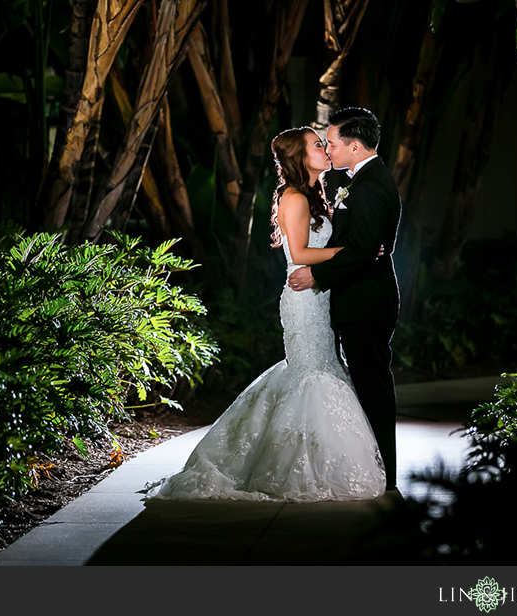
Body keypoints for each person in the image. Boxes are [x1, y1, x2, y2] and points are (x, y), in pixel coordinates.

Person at [143, 126, 385, 502]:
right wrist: (350, 252)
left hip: (319, 297)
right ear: (299, 157)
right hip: (304, 298)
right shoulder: (295, 198)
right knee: (310, 374)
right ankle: (293, 466)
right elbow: (300, 254)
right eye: (317, 145)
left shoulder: (314, 194)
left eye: (325, 144)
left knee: (318, 369)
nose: (325, 149)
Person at [288, 107, 401, 492]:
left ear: (354, 146)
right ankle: (374, 469)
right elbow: (355, 247)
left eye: (332, 143)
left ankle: (384, 474)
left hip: (367, 301)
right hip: (357, 298)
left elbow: (361, 250)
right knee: (366, 384)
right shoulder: (360, 180)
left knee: (372, 386)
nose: (329, 149)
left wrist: (317, 274)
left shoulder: (369, 186)